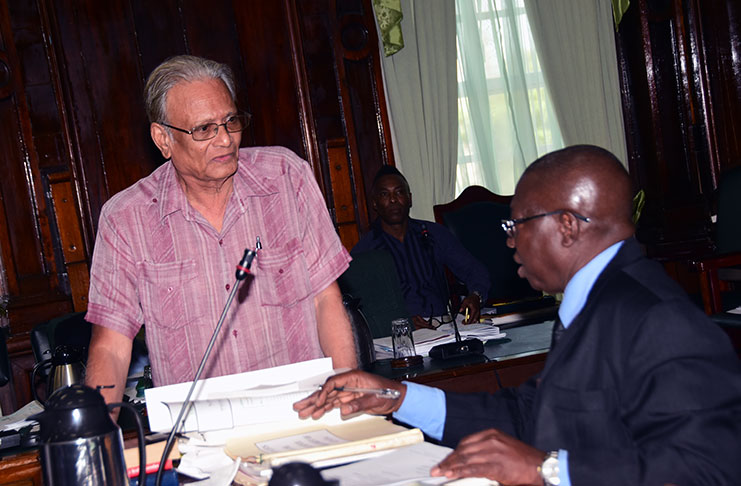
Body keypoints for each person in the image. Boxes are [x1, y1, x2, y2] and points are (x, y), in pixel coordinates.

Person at [295, 145, 741, 485]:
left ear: (566, 226)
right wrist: (399, 397)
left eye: (516, 225)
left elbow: (709, 468)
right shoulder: (597, 301)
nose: (510, 243)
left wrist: (546, 469)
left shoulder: (659, 319)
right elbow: (537, 413)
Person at [84, 55, 356, 405]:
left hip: (304, 410)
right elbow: (112, 347)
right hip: (200, 431)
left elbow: (325, 300)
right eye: (204, 129)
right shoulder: (127, 219)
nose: (226, 140)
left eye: (231, 122)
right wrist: (94, 444)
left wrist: (349, 395)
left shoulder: (286, 177)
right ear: (163, 139)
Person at [352, 166, 489, 325]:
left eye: (399, 192)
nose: (393, 200)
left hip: (442, 325)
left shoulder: (433, 234)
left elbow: (475, 271)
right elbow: (359, 306)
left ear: (409, 198)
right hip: (397, 332)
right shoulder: (365, 250)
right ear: (375, 203)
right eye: (384, 194)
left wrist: (476, 296)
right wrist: (399, 322)